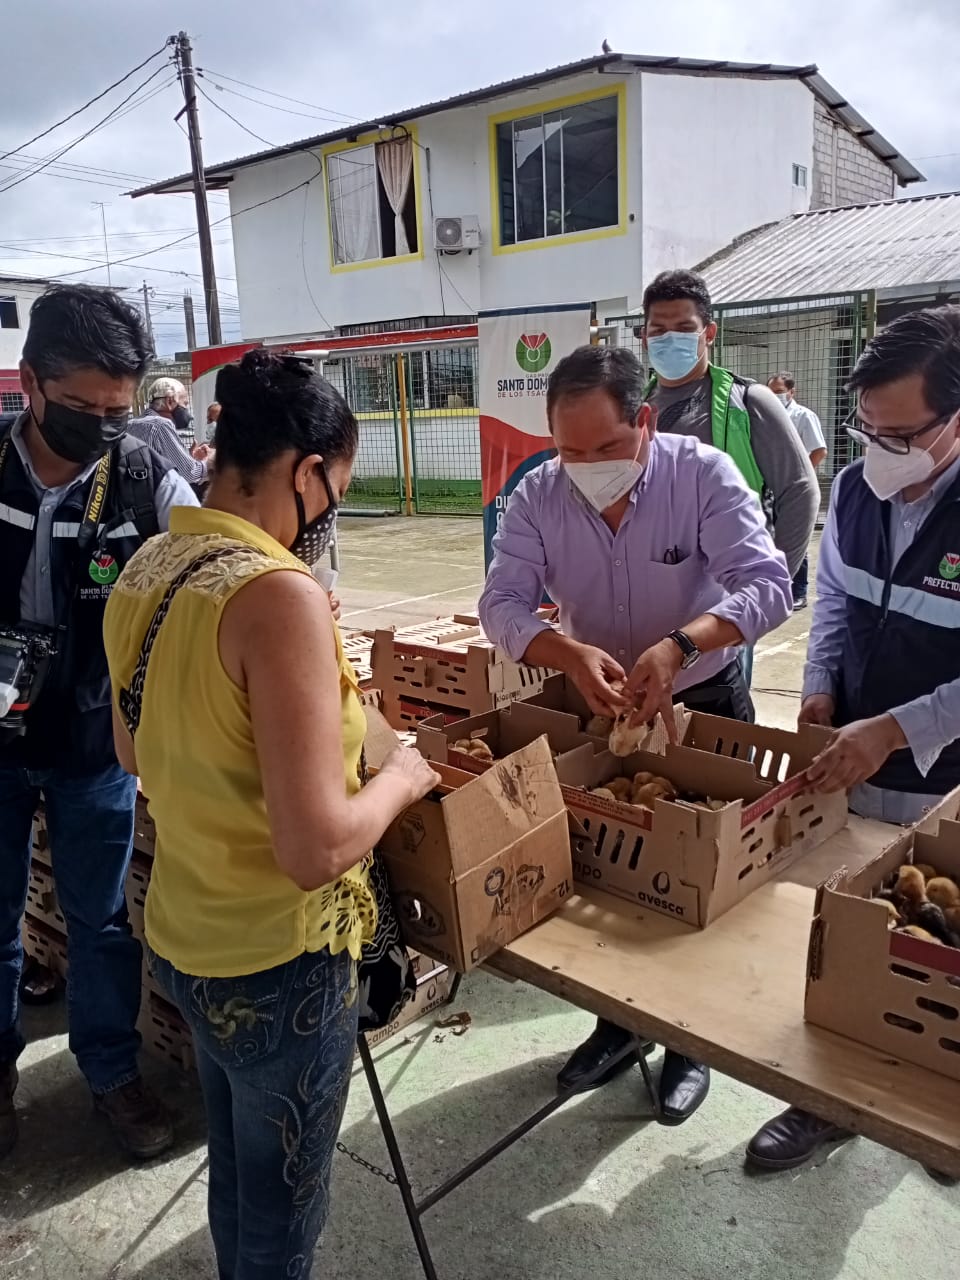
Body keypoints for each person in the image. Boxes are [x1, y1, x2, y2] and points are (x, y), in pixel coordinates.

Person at [103, 350, 440, 1276]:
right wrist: (402, 778)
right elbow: (316, 848)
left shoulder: (150, 563)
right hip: (277, 964)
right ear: (306, 472)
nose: (332, 513)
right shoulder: (278, 595)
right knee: (285, 1211)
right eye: (338, 490)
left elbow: (132, 752)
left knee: (240, 1176)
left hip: (184, 935)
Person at [479, 345, 792, 1122]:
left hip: (703, 701)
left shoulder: (703, 475)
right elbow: (501, 603)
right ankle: (618, 1024)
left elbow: (769, 585)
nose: (589, 468)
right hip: (605, 709)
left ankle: (689, 1040)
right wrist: (565, 652)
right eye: (570, 451)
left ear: (645, 421)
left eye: (608, 448)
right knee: (611, 880)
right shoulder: (539, 494)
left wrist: (681, 645)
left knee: (696, 886)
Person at [746, 305, 960, 1174]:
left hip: (946, 783)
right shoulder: (858, 489)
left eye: (901, 435)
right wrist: (820, 688)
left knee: (939, 939)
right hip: (857, 762)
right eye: (866, 428)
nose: (880, 451)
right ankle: (827, 1099)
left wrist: (901, 729)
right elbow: (833, 599)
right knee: (847, 932)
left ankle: (941, 1103)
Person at [0, 285, 199, 1162]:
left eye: (119, 410)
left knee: (102, 923)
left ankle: (112, 1073)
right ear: (31, 384)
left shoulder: (147, 480)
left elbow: (216, 551)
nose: (103, 426)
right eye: (84, 408)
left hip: (93, 749)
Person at [642, 271, 819, 685]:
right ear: (644, 338)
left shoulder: (748, 402)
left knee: (716, 707)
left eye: (683, 328)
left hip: (720, 603)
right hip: (647, 596)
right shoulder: (634, 404)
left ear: (709, 333)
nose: (669, 339)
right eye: (658, 330)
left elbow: (800, 491)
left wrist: (766, 588)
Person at [767, 371, 828, 609]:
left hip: (795, 488)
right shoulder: (765, 414)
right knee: (771, 537)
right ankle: (774, 588)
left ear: (792, 392)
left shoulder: (803, 416)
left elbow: (819, 450)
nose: (774, 396)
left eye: (779, 392)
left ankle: (798, 591)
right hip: (770, 484)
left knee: (795, 538)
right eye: (770, 392)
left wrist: (802, 474)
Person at [128, 377, 214, 491]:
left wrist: (188, 457)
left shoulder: (130, 424)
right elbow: (190, 473)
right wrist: (211, 459)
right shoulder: (160, 425)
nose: (187, 411)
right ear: (170, 401)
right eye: (185, 404)